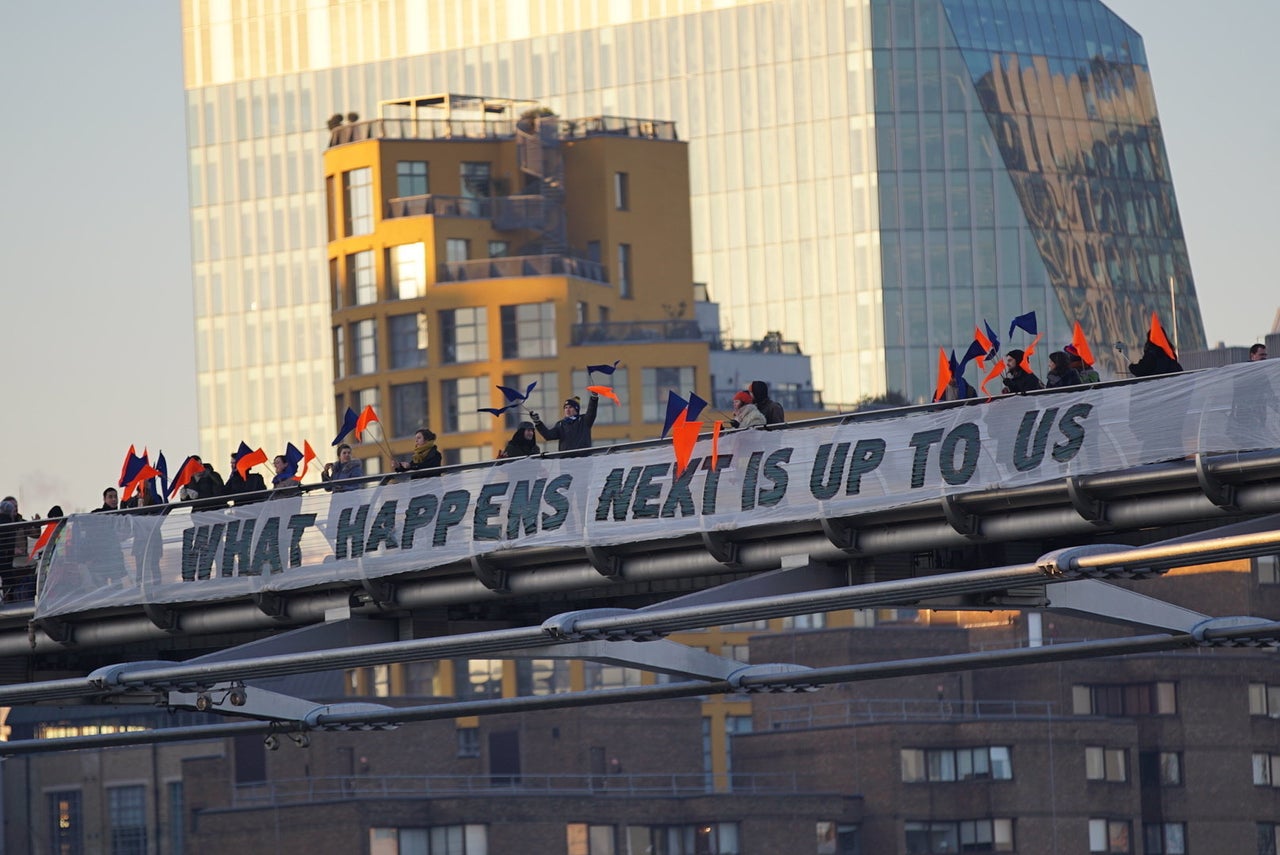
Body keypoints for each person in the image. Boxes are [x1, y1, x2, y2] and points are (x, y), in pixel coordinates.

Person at [532, 394, 599, 451]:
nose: (567, 409)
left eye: (570, 407)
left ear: (576, 409)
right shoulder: (560, 424)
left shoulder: (584, 420)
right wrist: (538, 423)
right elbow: (548, 435)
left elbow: (591, 411)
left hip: (584, 460)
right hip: (566, 461)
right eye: (566, 407)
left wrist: (594, 398)